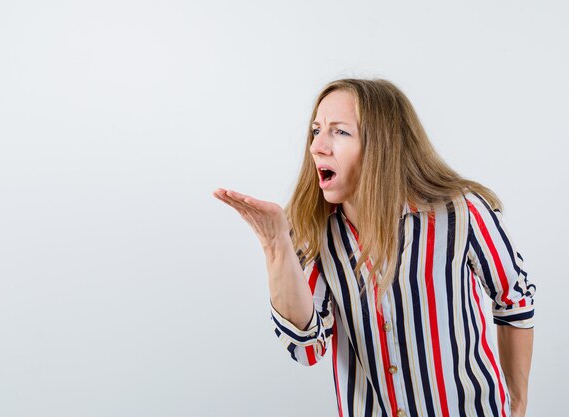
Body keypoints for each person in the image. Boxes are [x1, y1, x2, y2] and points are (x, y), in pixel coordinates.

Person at [213, 78, 535, 417]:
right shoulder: (315, 232)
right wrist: (275, 244)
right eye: (316, 130)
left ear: (382, 145)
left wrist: (517, 403)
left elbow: (515, 298)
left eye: (339, 132)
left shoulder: (462, 213)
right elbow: (306, 348)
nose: (317, 146)